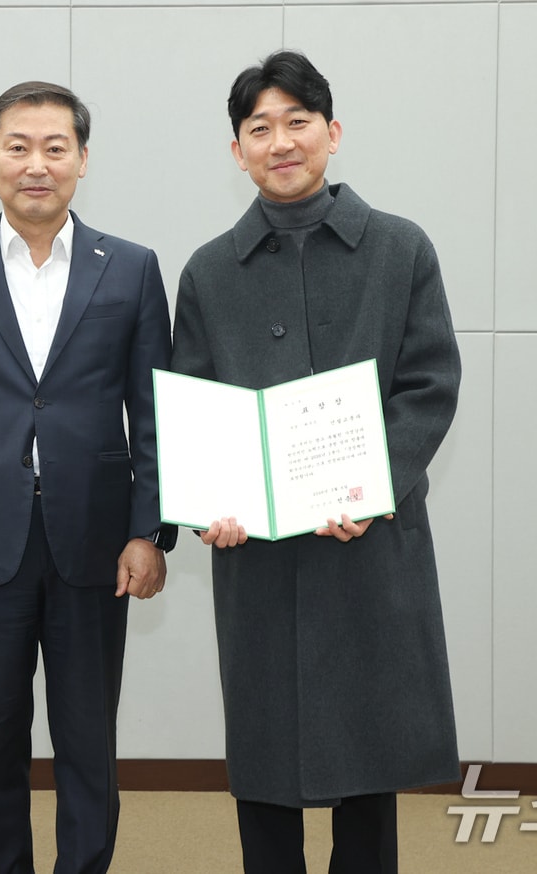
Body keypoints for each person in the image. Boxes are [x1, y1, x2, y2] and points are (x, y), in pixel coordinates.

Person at [171, 51, 462, 873]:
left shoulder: (401, 249)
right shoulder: (208, 271)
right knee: (263, 763)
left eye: (298, 122)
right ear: (237, 152)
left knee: (371, 763)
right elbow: (194, 404)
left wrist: (373, 486)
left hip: (367, 541)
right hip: (257, 556)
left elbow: (430, 385)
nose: (280, 141)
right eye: (259, 128)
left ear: (333, 133)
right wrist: (206, 504)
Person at [0, 81, 177, 874]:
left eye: (56, 147)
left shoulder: (128, 268)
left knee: (89, 740)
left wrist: (148, 530)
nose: (36, 164)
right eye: (17, 146)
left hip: (97, 542)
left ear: (83, 161)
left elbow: (151, 412)